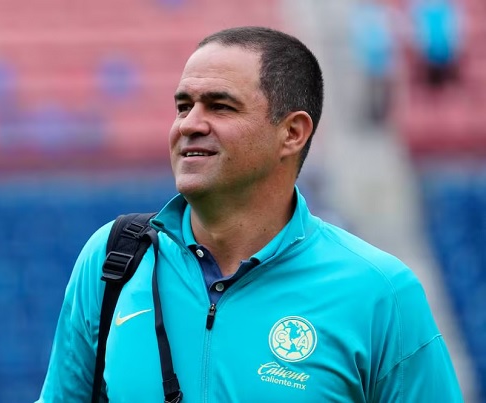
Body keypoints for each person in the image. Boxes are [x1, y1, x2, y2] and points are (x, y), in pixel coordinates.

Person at [36, 26, 463, 402]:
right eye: (183, 106)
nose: (189, 124)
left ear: (292, 133)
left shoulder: (381, 292)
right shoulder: (115, 259)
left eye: (220, 106)